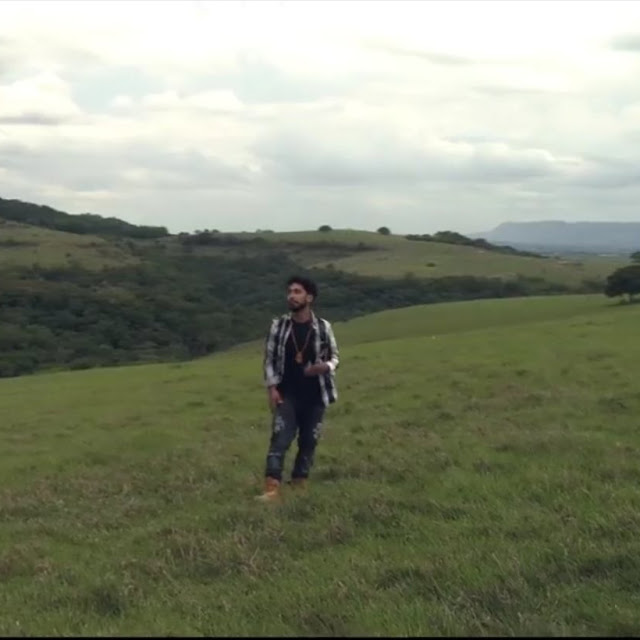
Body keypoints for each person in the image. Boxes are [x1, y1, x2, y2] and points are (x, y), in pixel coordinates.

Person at [256, 275, 340, 502]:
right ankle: (272, 488)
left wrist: (326, 366)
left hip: (315, 396)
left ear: (309, 297)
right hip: (287, 394)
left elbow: (335, 357)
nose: (291, 296)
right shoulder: (279, 326)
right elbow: (269, 360)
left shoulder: (323, 327)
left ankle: (299, 483)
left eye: (297, 292)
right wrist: (272, 388)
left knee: (309, 441)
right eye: (290, 292)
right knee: (280, 438)